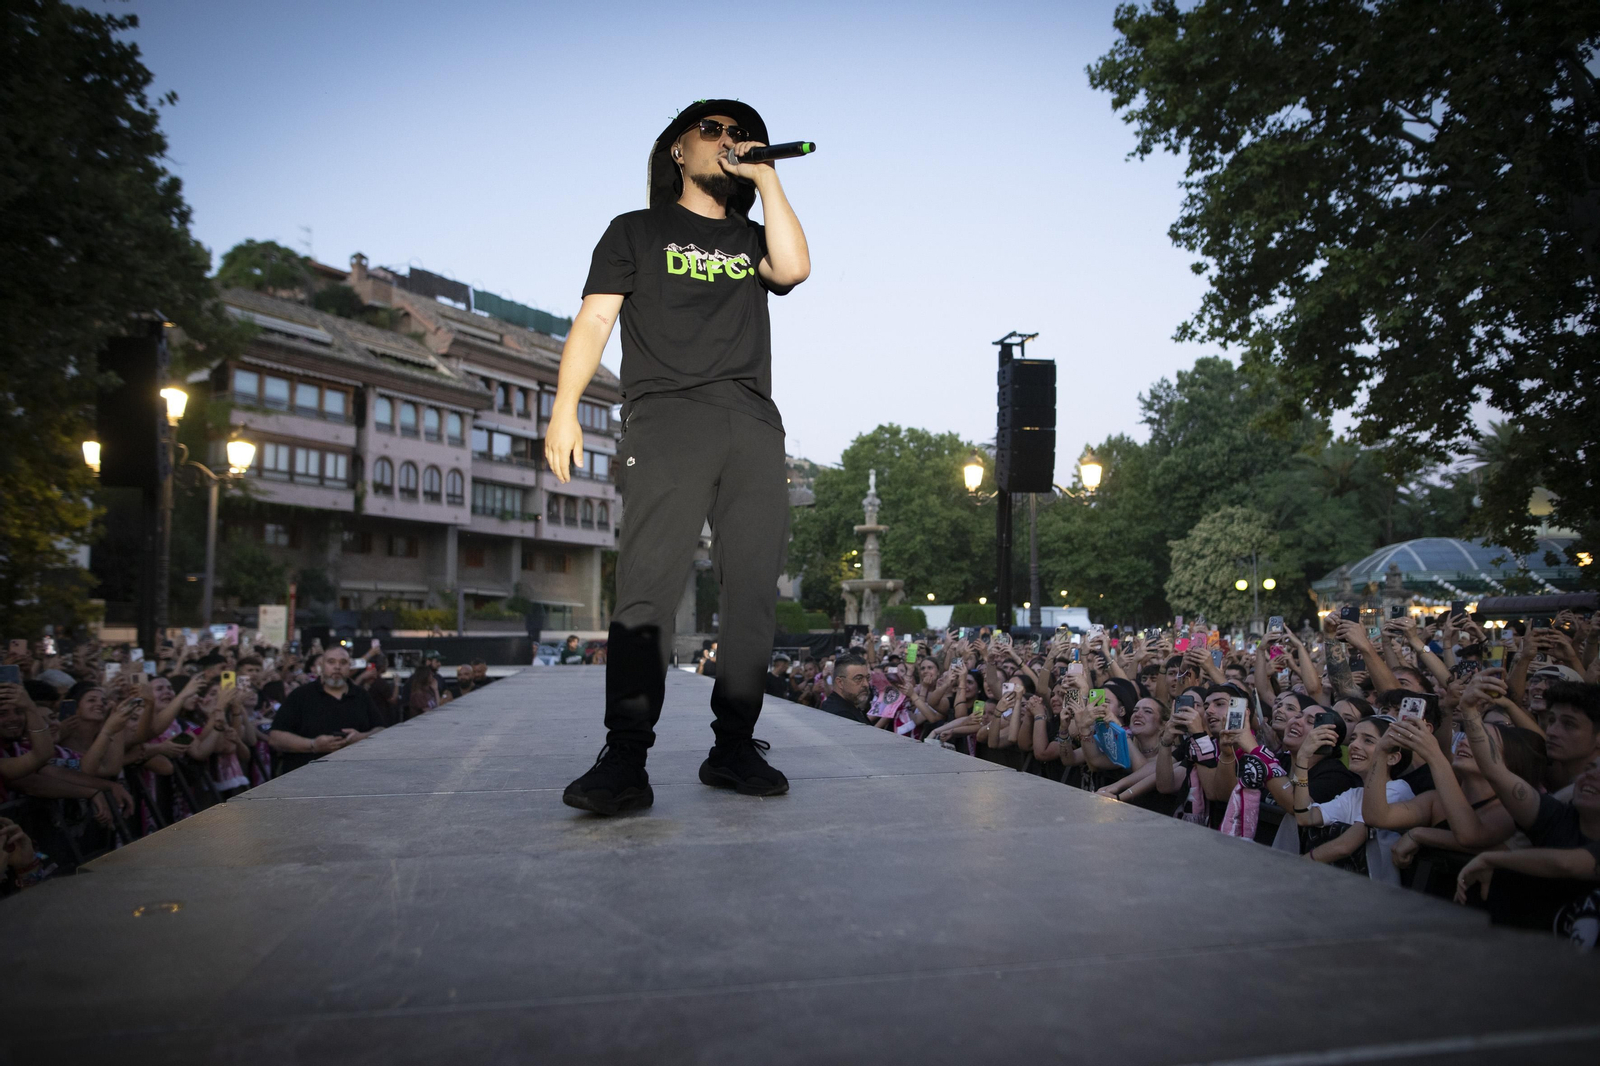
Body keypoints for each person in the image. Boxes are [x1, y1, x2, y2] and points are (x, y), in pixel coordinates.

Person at [550, 98, 810, 815]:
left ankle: (733, 747)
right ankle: (626, 757)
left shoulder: (753, 234)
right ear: (677, 150)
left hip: (753, 424)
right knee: (649, 588)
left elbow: (794, 270)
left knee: (753, 588)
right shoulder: (635, 231)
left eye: (741, 133)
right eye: (715, 131)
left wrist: (767, 179)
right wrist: (564, 409)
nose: (730, 141)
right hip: (666, 418)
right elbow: (595, 319)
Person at [266, 646, 384, 776]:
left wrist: (361, 738)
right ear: (321, 666)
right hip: (305, 778)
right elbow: (276, 737)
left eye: (343, 662)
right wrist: (313, 745)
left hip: (354, 776)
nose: (337, 667)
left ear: (349, 666)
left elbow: (381, 730)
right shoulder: (301, 695)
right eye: (331, 662)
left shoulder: (361, 695)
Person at [817, 655, 872, 725]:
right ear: (840, 682)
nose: (866, 684)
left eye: (867, 678)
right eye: (858, 679)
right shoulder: (841, 716)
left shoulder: (848, 705)